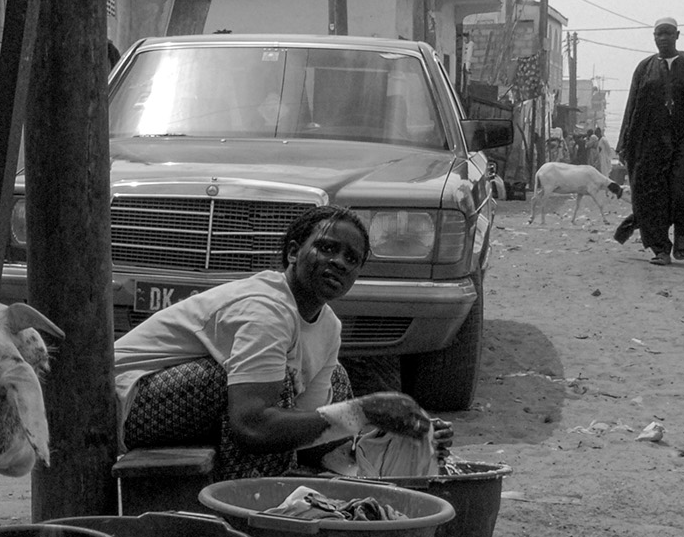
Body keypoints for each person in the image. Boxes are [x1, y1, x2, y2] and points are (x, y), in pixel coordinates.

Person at [113, 204, 446, 483]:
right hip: (123, 404)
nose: (339, 262)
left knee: (336, 384)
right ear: (292, 252)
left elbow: (313, 433)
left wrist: (397, 431)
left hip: (178, 402)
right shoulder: (266, 308)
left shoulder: (328, 325)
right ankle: (251, 504)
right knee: (272, 386)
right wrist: (365, 410)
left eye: (351, 258)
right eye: (327, 248)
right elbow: (252, 426)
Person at [614, 18, 684, 265]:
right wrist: (624, 143)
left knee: (679, 189)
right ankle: (661, 248)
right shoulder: (644, 68)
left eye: (668, 33)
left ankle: (681, 227)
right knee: (649, 195)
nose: (663, 38)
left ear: (678, 35)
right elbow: (632, 106)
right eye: (659, 34)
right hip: (649, 142)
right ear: (654, 37)